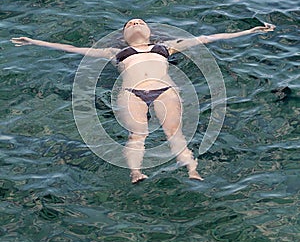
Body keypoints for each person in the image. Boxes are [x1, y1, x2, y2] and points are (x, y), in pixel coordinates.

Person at [11, 19, 276, 183]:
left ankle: (192, 170)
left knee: (175, 134)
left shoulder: (168, 46)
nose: (134, 24)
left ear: (149, 31)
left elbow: (207, 38)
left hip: (165, 91)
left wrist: (250, 30)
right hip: (131, 94)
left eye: (139, 22)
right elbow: (72, 49)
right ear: (124, 36)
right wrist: (34, 41)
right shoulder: (114, 51)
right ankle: (136, 173)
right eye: (129, 24)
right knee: (138, 134)